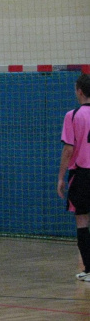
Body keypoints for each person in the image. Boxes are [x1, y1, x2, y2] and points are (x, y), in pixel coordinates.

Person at [57, 73, 90, 281]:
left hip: (82, 174)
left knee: (82, 221)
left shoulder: (73, 114)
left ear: (79, 90)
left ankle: (89, 269)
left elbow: (68, 149)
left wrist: (61, 177)